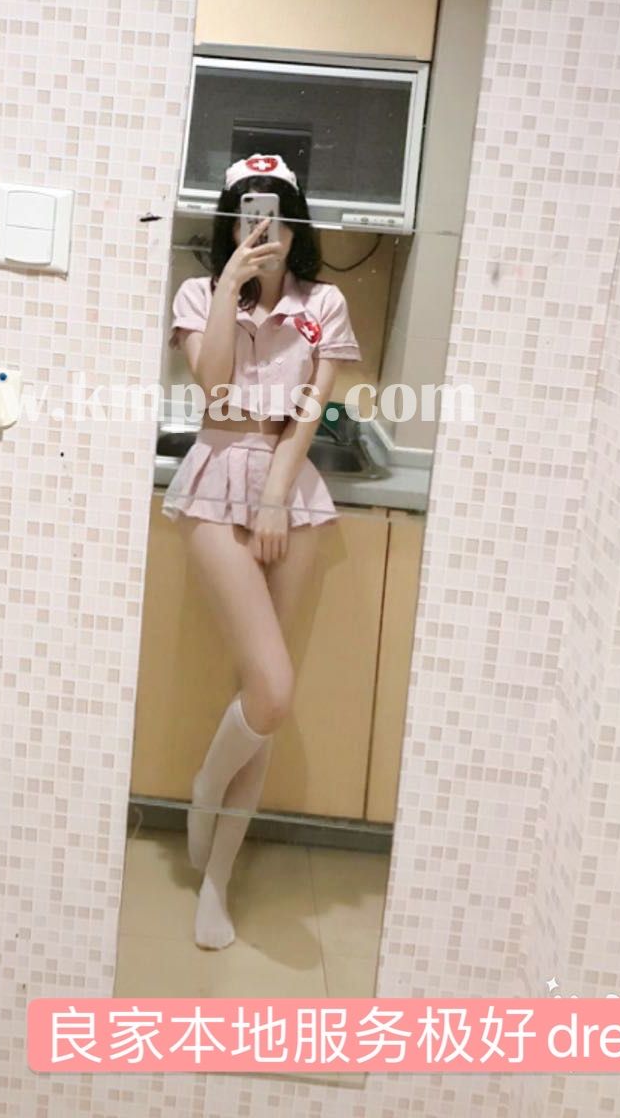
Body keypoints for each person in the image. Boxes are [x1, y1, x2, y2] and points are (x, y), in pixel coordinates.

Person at [163, 153, 361, 948]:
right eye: (248, 210)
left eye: (275, 209)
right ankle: (206, 788)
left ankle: (217, 878)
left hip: (289, 488)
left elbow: (310, 411)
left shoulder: (325, 304)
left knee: (266, 700)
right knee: (271, 687)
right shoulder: (196, 294)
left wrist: (276, 495)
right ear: (232, 220)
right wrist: (229, 286)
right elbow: (213, 386)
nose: (262, 223)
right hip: (215, 473)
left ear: (294, 220)